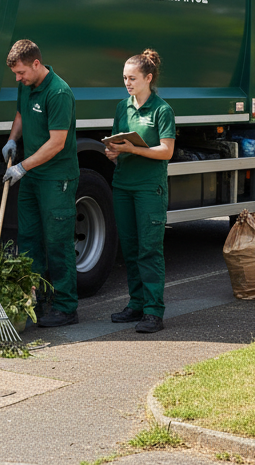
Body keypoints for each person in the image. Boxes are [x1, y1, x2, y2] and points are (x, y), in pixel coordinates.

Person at [2, 39, 79, 328]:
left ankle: (66, 306)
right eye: (15, 75)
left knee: (57, 242)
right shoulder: (26, 86)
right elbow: (21, 114)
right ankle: (38, 302)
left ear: (37, 63)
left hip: (56, 178)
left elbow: (57, 143)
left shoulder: (59, 93)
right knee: (30, 240)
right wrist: (12, 139)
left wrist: (22, 166)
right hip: (33, 177)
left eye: (21, 73)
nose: (18, 79)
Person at [104, 49, 175, 334]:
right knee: (130, 249)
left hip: (149, 188)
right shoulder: (123, 107)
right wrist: (112, 152)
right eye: (124, 78)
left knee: (149, 249)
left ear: (148, 78)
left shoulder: (162, 110)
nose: (127, 83)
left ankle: (153, 311)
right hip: (123, 185)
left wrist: (134, 148)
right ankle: (136, 304)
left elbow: (167, 151)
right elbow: (115, 143)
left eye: (132, 78)